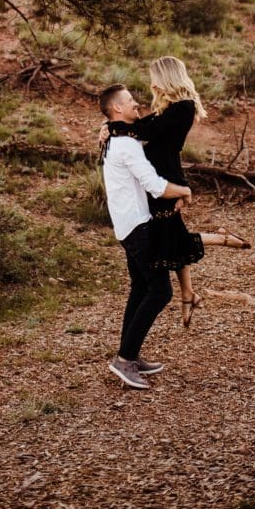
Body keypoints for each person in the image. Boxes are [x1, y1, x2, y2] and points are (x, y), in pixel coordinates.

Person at [104, 56, 251, 329]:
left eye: (154, 78)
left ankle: (218, 244)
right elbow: (144, 127)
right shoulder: (170, 107)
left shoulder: (184, 107)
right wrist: (111, 127)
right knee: (171, 235)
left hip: (165, 178)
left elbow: (146, 130)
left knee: (172, 236)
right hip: (159, 177)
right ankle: (188, 292)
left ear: (166, 77)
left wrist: (113, 126)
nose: (151, 84)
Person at [99, 83, 194, 391]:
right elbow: (156, 186)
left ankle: (130, 354)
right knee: (160, 291)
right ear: (117, 109)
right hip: (138, 228)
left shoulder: (119, 138)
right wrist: (185, 191)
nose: (136, 104)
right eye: (129, 101)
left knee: (140, 287)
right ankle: (125, 359)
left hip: (127, 225)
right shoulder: (125, 145)